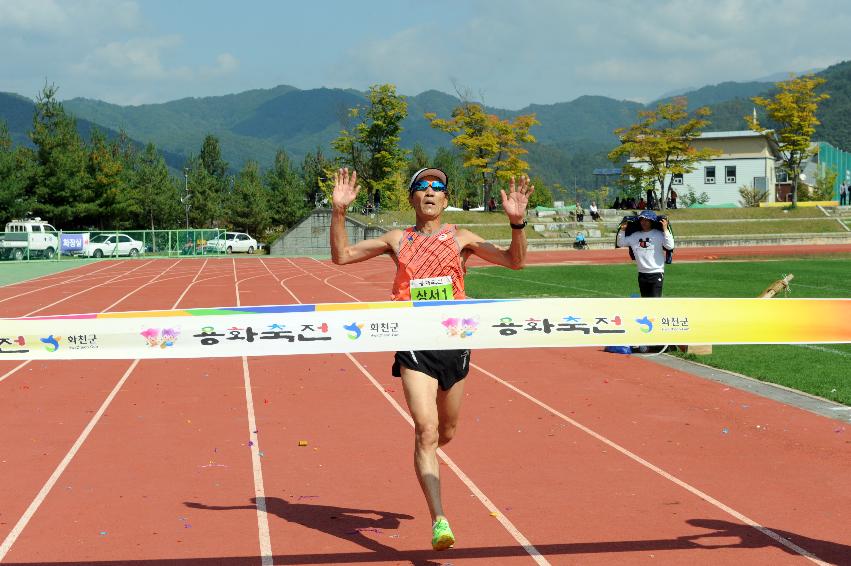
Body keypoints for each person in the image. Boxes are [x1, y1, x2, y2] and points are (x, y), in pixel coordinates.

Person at [330, 167, 533, 551]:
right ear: (411, 199)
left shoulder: (461, 238)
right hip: (413, 343)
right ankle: (440, 519)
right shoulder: (397, 239)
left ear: (445, 199)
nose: (429, 191)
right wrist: (339, 212)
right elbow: (341, 256)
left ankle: (426, 457)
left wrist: (517, 223)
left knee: (446, 432)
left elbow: (514, 261)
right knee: (426, 430)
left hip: (453, 344)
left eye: (437, 187)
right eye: (421, 187)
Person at [616, 210, 674, 297]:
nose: (644, 222)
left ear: (652, 221)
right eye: (642, 220)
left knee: (655, 302)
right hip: (642, 273)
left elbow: (670, 246)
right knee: (645, 301)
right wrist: (622, 230)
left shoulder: (659, 234)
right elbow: (620, 243)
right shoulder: (634, 236)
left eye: (647, 220)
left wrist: (665, 229)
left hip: (656, 272)